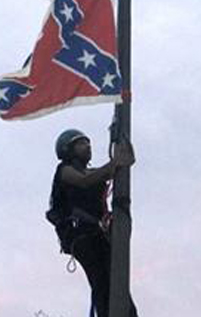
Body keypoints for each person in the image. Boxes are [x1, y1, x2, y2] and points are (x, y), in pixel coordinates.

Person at [46, 129, 138, 317]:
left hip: (98, 234)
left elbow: (105, 172)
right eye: (81, 143)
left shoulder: (91, 172)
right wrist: (115, 164)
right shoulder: (64, 171)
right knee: (101, 282)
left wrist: (124, 160)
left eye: (88, 143)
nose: (87, 146)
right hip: (81, 236)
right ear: (68, 150)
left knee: (117, 281)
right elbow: (85, 180)